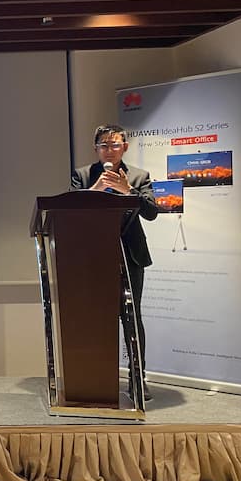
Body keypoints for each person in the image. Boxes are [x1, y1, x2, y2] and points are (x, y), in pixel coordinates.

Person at [71, 123, 158, 400]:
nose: (109, 150)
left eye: (115, 145)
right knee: (97, 317)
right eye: (104, 145)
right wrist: (96, 188)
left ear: (125, 147)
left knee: (132, 316)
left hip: (130, 253)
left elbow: (152, 212)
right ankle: (98, 376)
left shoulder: (139, 176)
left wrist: (128, 190)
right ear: (95, 148)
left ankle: (137, 378)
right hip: (94, 255)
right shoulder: (83, 175)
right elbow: (71, 212)